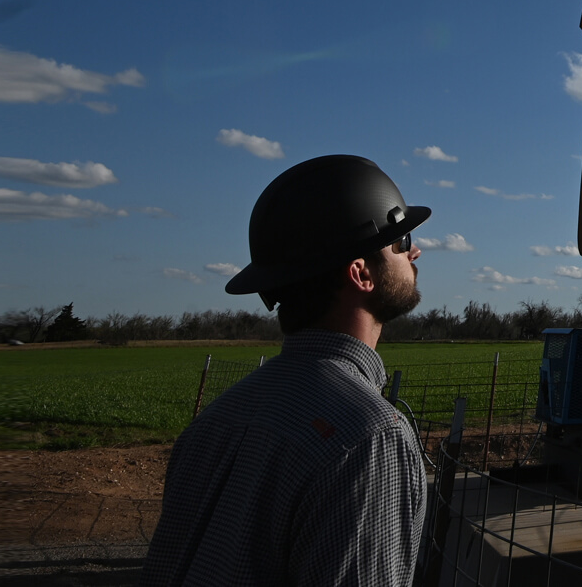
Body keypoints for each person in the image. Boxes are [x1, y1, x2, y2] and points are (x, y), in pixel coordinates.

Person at [140, 155, 429, 586]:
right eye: (400, 242)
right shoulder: (370, 438)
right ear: (361, 273)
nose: (415, 251)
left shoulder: (215, 421)